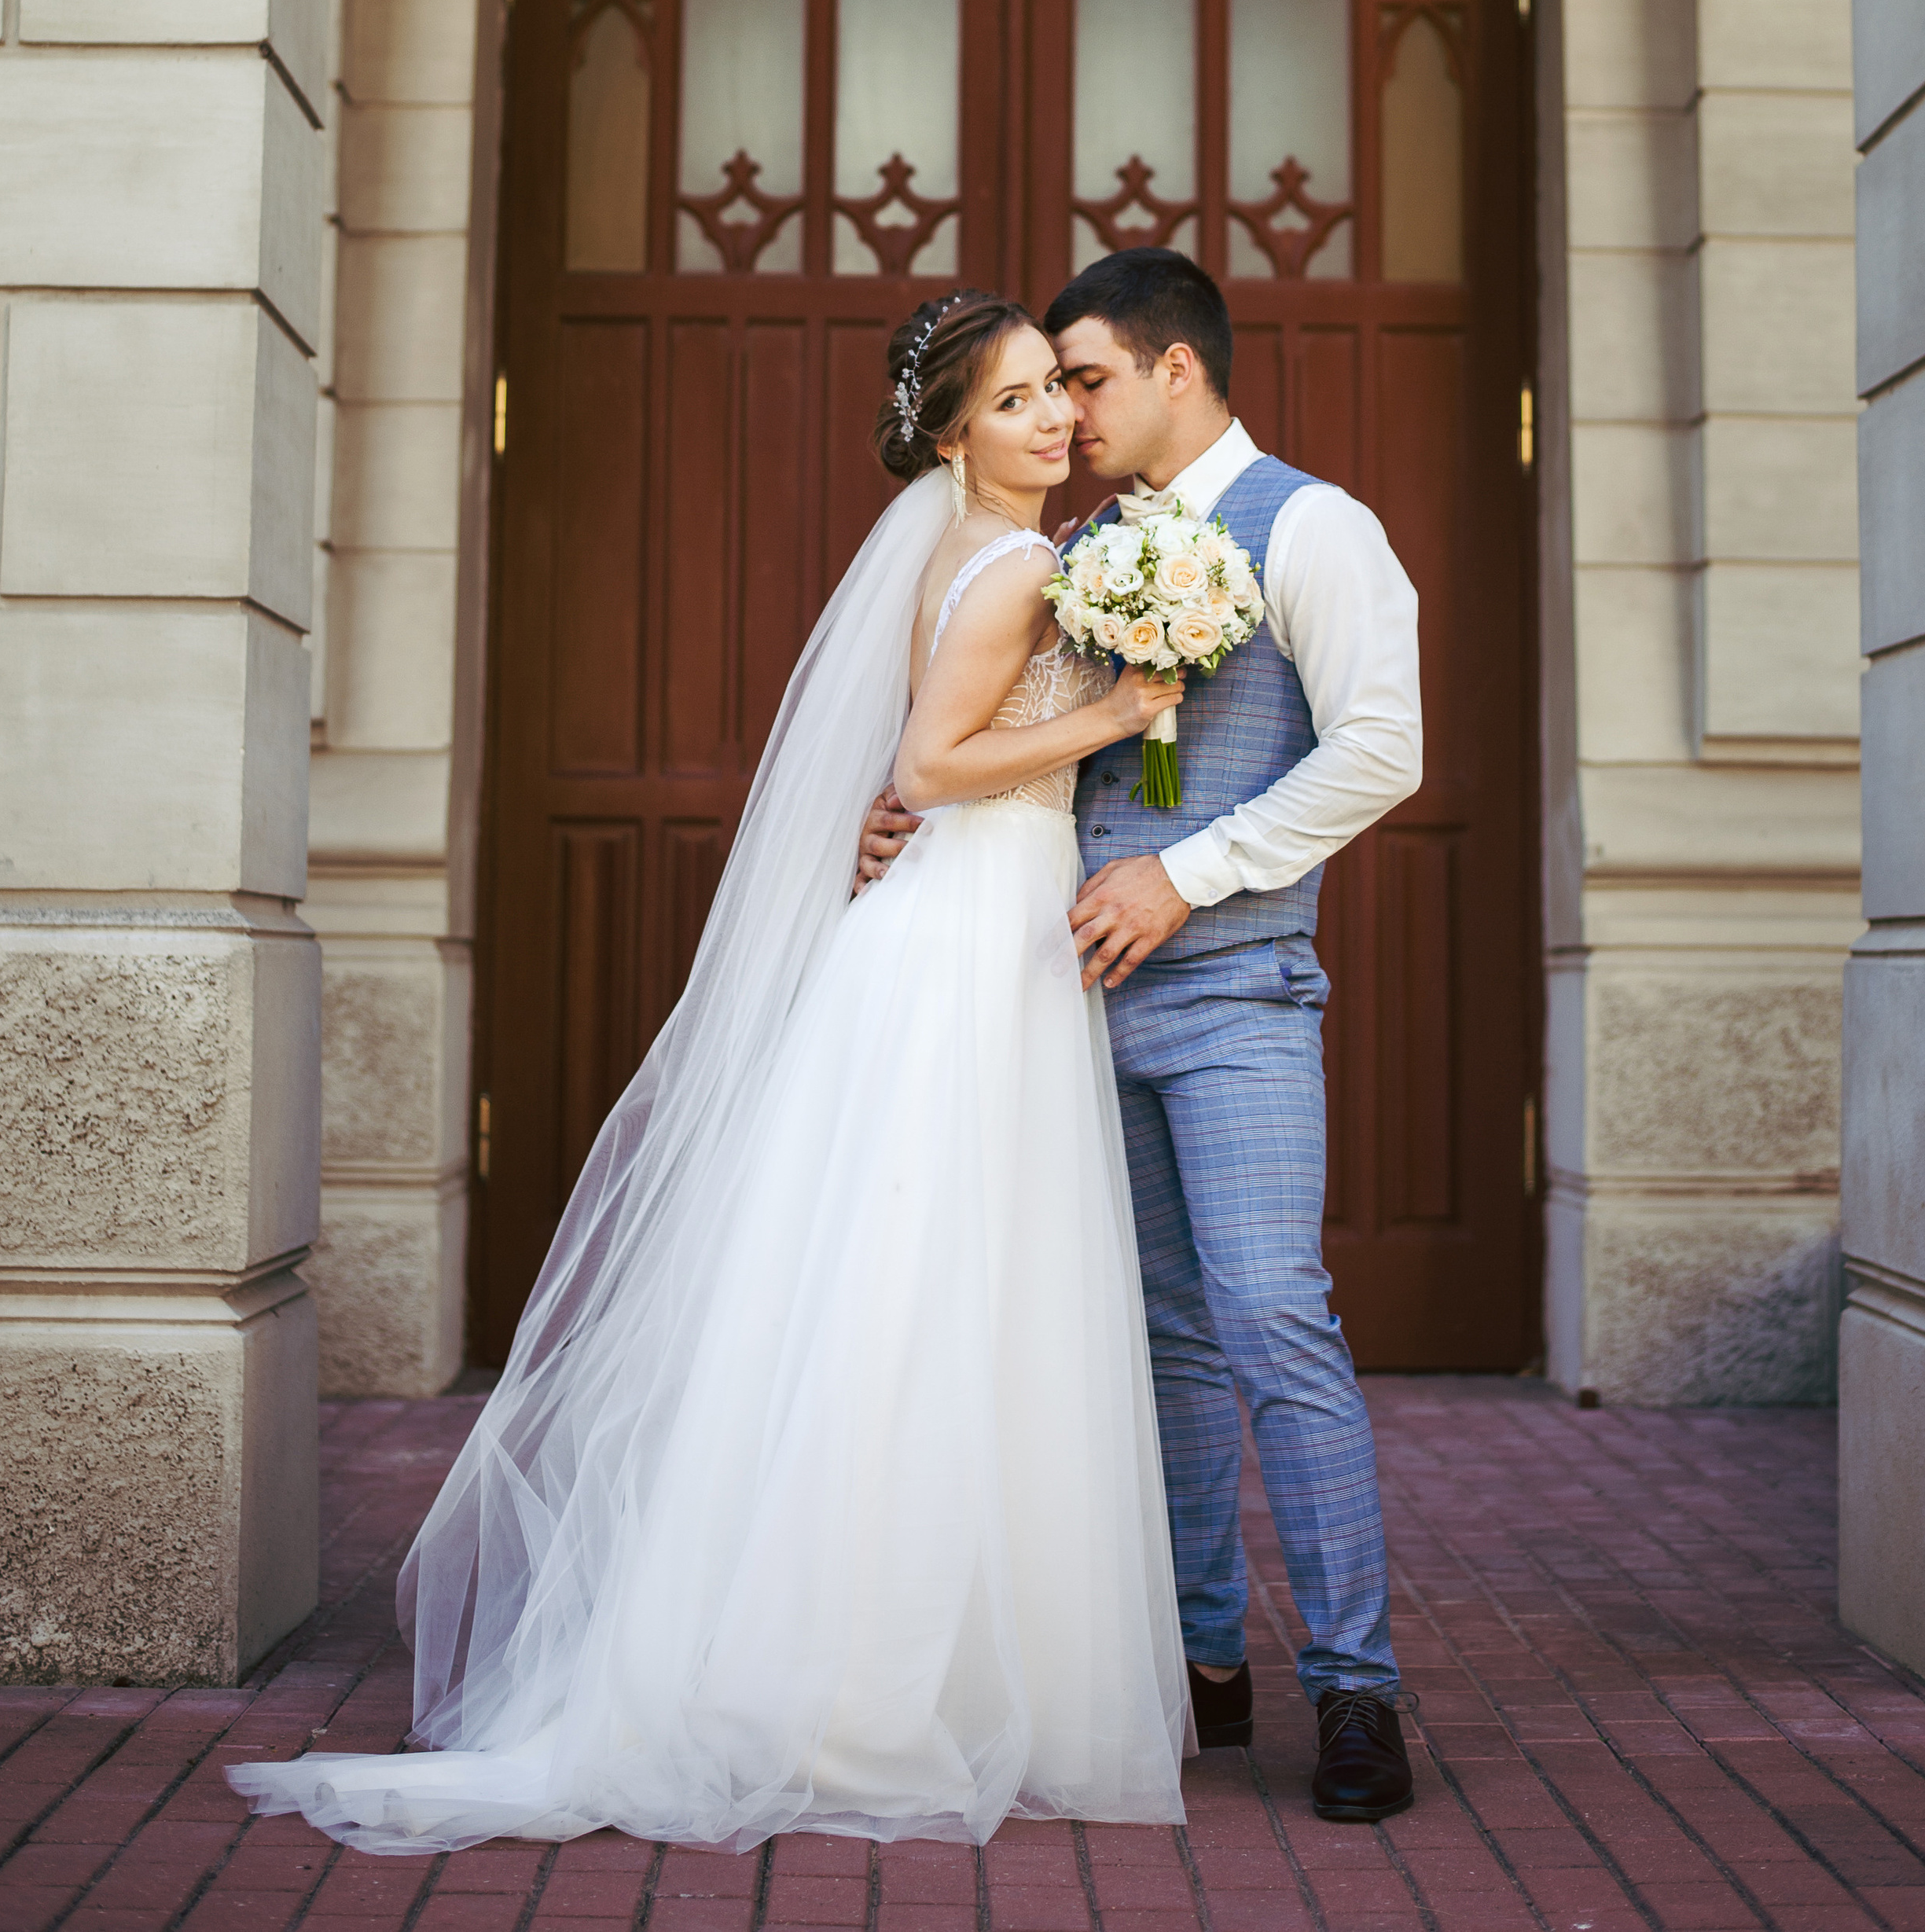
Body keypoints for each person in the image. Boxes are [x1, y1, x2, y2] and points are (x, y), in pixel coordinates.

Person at [230, 295, 1192, 1856]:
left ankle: (843, 1656)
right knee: (932, 1283)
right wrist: (1116, 712)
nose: (1048, 422)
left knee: (899, 1281)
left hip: (958, 921)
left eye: (1050, 398)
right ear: (950, 432)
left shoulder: (967, 545)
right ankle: (863, 1686)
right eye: (1013, 402)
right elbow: (929, 766)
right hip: (968, 933)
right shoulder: (1015, 562)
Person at [859, 249, 1423, 1823]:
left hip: (1232, 995)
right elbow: (981, 735)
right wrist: (898, 817)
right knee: (1147, 1342)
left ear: (1180, 368)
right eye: (1047, 388)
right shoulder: (1077, 542)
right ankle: (1196, 1667)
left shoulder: (1313, 525)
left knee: (1267, 1319)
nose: (1069, 409)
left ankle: (1356, 1690)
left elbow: (1382, 746)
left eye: (1087, 377)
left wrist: (1186, 871)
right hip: (1060, 1006)